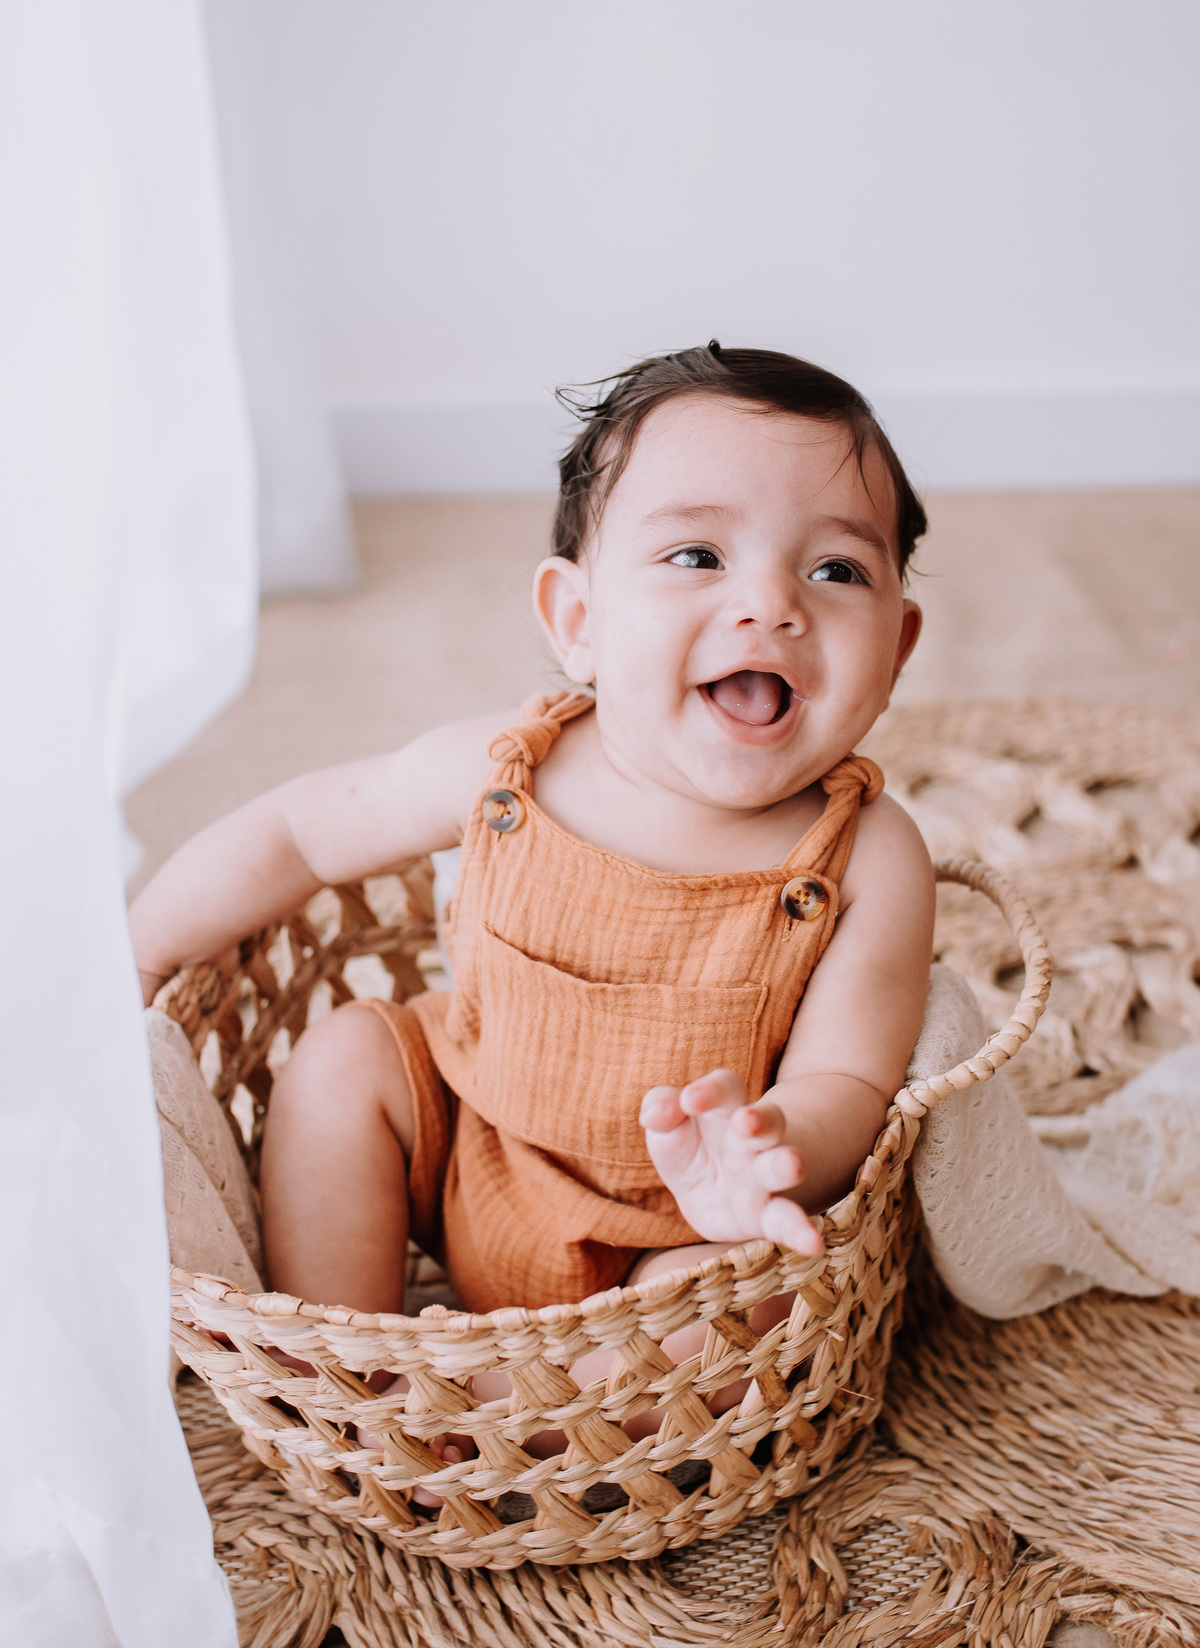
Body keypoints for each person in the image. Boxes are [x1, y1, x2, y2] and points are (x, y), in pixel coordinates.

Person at [131, 344, 934, 1464]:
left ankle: (507, 1417)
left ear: (896, 648)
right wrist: (137, 950)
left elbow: (851, 1077)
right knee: (343, 1060)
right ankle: (351, 1363)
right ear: (578, 620)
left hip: (675, 1237)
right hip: (468, 1145)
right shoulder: (511, 767)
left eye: (837, 570)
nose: (770, 606)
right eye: (698, 555)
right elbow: (297, 832)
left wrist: (773, 1149)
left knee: (745, 1311)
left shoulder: (868, 857)